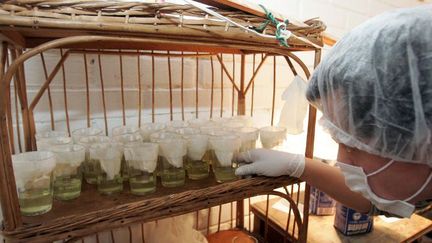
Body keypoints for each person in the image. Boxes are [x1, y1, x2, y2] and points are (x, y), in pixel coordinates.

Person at [236, 5, 432, 218]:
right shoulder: (416, 177)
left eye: (352, 145)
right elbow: (381, 203)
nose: (341, 161)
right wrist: (298, 166)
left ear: (420, 139)